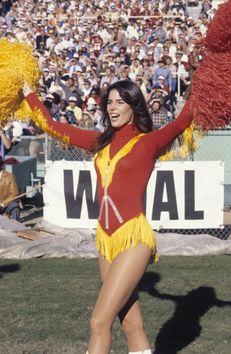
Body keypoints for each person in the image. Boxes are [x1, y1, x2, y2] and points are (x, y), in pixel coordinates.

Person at [22, 79, 193, 354]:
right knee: (131, 324)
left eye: (120, 102)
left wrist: (209, 75)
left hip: (133, 236)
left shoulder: (149, 142)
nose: (113, 108)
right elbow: (51, 126)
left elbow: (184, 119)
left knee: (98, 321)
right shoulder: (99, 142)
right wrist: (28, 93)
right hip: (105, 238)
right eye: (109, 102)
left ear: (134, 106)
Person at [0, 156, 20, 221]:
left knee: (15, 206)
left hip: (5, 204)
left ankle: (16, 225)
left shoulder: (10, 176)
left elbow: (14, 193)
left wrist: (4, 203)